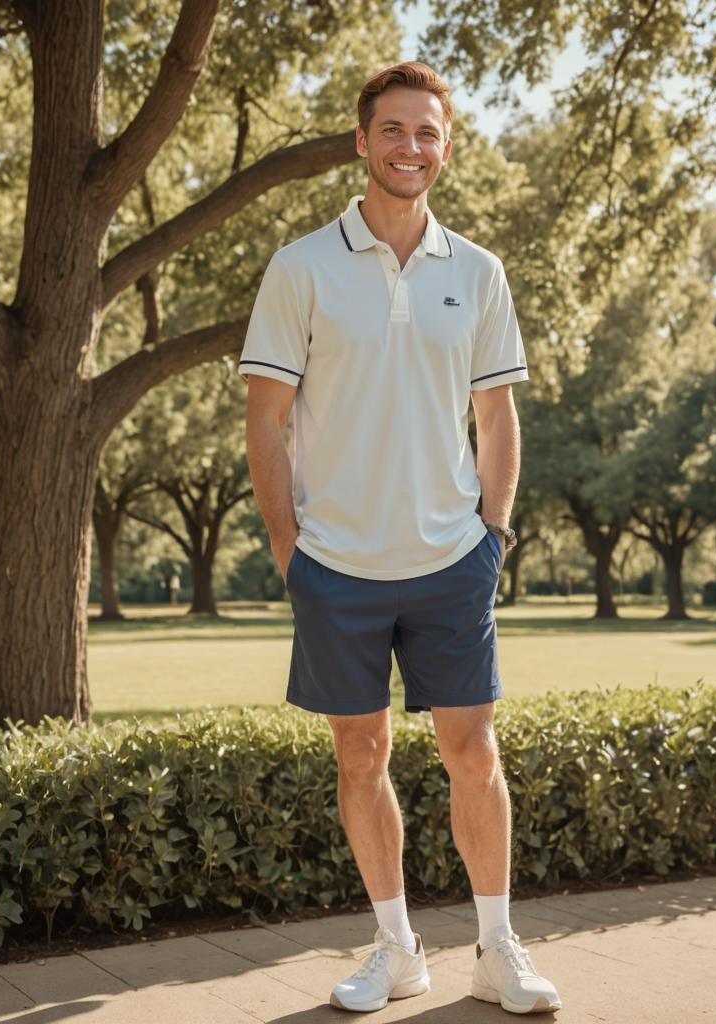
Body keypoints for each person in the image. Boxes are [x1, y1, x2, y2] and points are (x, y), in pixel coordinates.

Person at [239, 61, 562, 1015]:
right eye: (392, 130)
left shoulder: (480, 272)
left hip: (451, 561)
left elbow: (498, 419)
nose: (409, 147)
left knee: (475, 754)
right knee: (360, 758)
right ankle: (397, 950)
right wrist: (289, 549)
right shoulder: (300, 266)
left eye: (426, 132)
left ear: (444, 147)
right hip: (334, 565)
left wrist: (492, 535)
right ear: (361, 140)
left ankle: (498, 949)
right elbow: (267, 421)